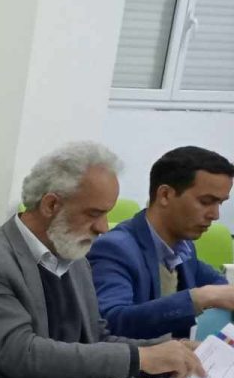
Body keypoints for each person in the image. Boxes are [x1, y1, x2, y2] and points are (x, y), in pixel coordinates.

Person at [0, 140, 203, 378]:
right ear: (50, 205)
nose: (103, 228)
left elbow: (96, 338)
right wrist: (141, 358)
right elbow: (22, 354)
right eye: (94, 213)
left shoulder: (75, 257)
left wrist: (167, 349)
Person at [88, 145, 234, 338]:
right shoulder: (114, 248)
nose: (215, 215)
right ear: (165, 195)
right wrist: (199, 298)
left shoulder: (184, 248)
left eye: (220, 203)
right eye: (206, 202)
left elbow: (221, 288)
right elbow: (110, 323)